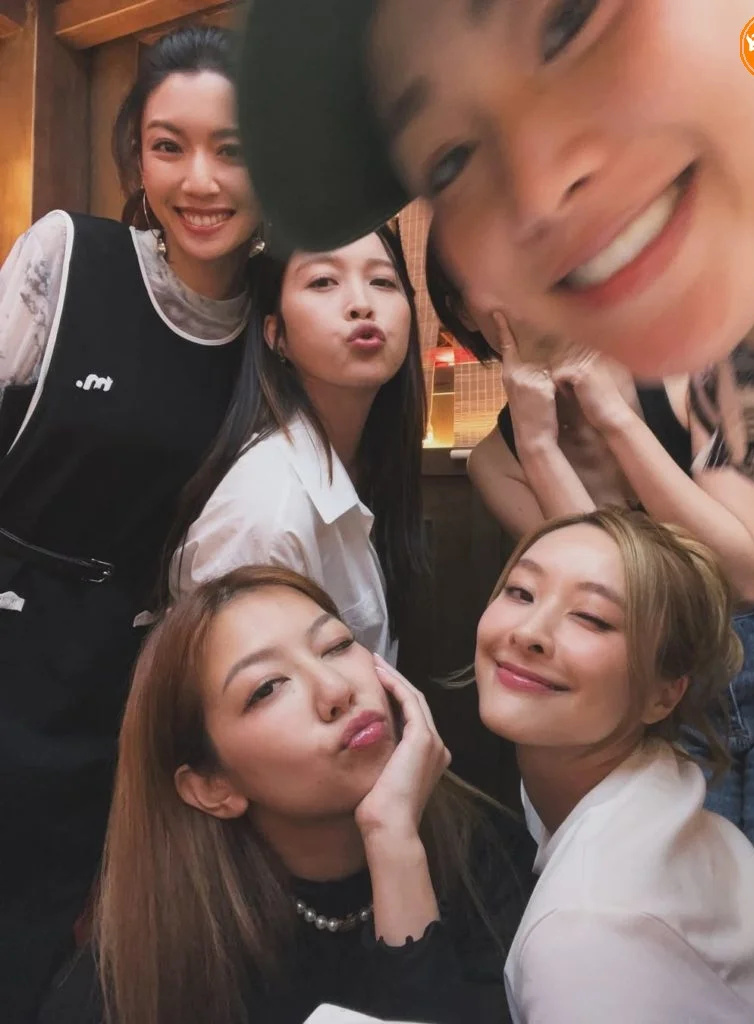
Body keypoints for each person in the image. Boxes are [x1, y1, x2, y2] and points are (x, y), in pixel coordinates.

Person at [234, 0, 754, 528]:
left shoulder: (707, 379)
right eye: (449, 161)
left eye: (569, 22)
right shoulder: (745, 383)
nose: (537, 193)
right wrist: (538, 446)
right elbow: (643, 591)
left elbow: (742, 566)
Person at [426, 238, 754, 912]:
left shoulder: (712, 360)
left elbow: (741, 570)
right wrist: (540, 445)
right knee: (700, 913)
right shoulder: (499, 461)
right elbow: (620, 596)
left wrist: (612, 415)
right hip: (670, 690)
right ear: (462, 310)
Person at [0, 25, 263, 1022]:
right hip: (10, 631)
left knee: (46, 945)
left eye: (233, 149)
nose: (200, 180)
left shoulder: (277, 324)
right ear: (136, 159)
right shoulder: (72, 256)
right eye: (168, 146)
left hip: (123, 685)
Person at [38, 566, 535, 1024]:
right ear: (211, 787)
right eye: (268, 688)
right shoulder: (148, 962)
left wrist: (393, 843)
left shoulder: (489, 855)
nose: (335, 689)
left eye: (337, 645)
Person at [472, 507, 754, 1023]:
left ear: (664, 695)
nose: (529, 632)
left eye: (592, 618)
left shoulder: (588, 932)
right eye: (521, 592)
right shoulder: (647, 778)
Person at [166, 225, 426, 661]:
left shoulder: (367, 464)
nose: (362, 303)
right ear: (276, 335)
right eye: (323, 281)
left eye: (382, 281)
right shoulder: (267, 516)